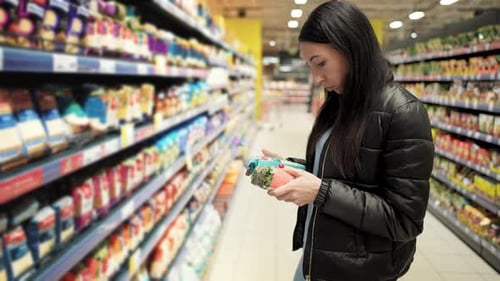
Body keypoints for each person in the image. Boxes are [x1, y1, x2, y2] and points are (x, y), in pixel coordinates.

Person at [260, 1, 435, 281]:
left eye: (321, 63)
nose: (316, 78)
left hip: (358, 271)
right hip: (316, 261)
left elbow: (405, 221)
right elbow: (346, 173)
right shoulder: (340, 104)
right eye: (310, 66)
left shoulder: (403, 112)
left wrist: (321, 192)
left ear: (351, 48)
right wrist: (293, 170)